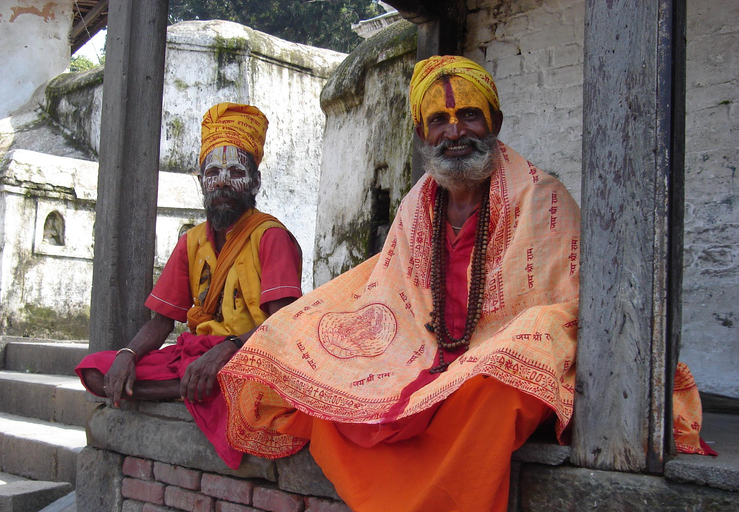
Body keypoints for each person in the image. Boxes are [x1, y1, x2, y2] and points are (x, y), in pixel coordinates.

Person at [217, 56, 580, 511]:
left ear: (495, 122)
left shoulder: (542, 198)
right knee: (329, 391)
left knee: (498, 386)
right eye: (438, 121)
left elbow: (564, 309)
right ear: (421, 134)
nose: (454, 132)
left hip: (491, 368)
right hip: (422, 357)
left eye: (469, 115)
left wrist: (488, 353)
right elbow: (390, 293)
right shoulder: (417, 204)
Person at [76, 102, 303, 470]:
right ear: (201, 183)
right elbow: (161, 322)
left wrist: (226, 351)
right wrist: (127, 356)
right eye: (212, 172)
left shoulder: (270, 237)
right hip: (195, 357)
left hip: (249, 356)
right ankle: (194, 387)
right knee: (95, 370)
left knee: (254, 386)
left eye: (236, 172)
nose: (223, 182)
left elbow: (284, 325)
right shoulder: (191, 241)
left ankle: (199, 385)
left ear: (255, 182)